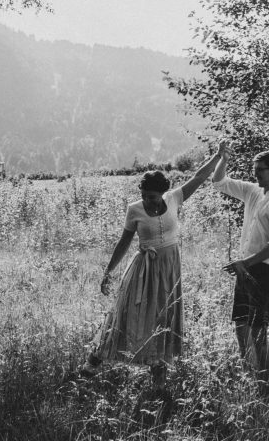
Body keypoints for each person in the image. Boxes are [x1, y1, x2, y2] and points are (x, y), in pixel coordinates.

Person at [81, 142, 227, 386]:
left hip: (170, 267)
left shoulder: (175, 198)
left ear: (162, 193)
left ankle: (158, 378)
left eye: (152, 197)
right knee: (126, 314)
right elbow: (124, 242)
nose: (147, 201)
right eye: (144, 196)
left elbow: (200, 176)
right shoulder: (134, 210)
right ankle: (92, 362)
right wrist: (108, 272)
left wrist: (218, 155)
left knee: (163, 317)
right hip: (144, 270)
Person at [212, 145, 269, 385]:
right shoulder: (252, 191)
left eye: (260, 171)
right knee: (240, 323)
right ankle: (248, 374)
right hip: (245, 269)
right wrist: (223, 158)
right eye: (254, 170)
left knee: (258, 329)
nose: (255, 175)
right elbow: (219, 182)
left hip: (265, 271)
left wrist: (243, 263)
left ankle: (266, 381)